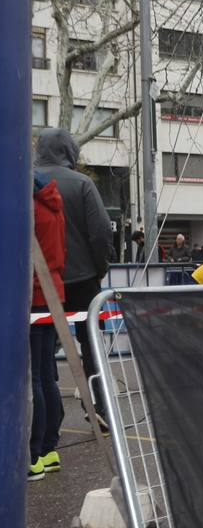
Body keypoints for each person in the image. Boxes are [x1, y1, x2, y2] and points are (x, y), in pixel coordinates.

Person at [34, 128, 112, 426]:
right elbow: (102, 231)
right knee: (91, 344)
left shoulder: (26, 182)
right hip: (83, 278)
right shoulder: (83, 184)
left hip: (41, 282)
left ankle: (49, 416)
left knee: (42, 349)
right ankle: (100, 408)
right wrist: (99, 267)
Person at [30, 172, 66, 482]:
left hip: (32, 293)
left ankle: (34, 455)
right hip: (53, 290)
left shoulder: (27, 206)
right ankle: (49, 449)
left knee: (35, 378)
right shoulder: (53, 203)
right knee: (46, 373)